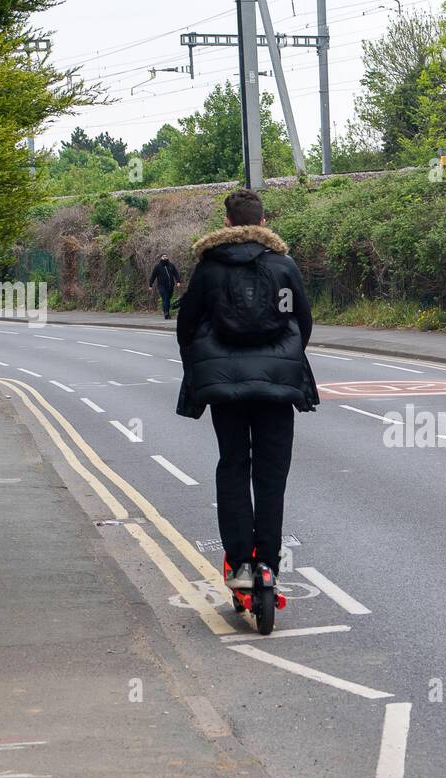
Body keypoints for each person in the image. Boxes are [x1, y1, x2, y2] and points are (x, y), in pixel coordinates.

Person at [175, 188, 319, 589]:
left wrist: (201, 370)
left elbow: (187, 326)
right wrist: (284, 360)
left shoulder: (208, 269)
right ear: (263, 223)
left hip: (226, 390)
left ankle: (239, 565)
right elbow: (301, 322)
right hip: (279, 388)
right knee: (272, 477)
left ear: (226, 223)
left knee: (234, 467)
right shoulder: (284, 266)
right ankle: (269, 565)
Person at [149, 254, 181, 320]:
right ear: (161, 258)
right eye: (163, 256)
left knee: (168, 299)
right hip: (162, 286)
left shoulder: (171, 265)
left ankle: (167, 312)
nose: (165, 257)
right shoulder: (157, 267)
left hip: (170, 286)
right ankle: (166, 313)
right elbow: (153, 276)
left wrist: (178, 282)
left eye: (166, 256)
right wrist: (150, 285)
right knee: (165, 298)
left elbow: (176, 273)